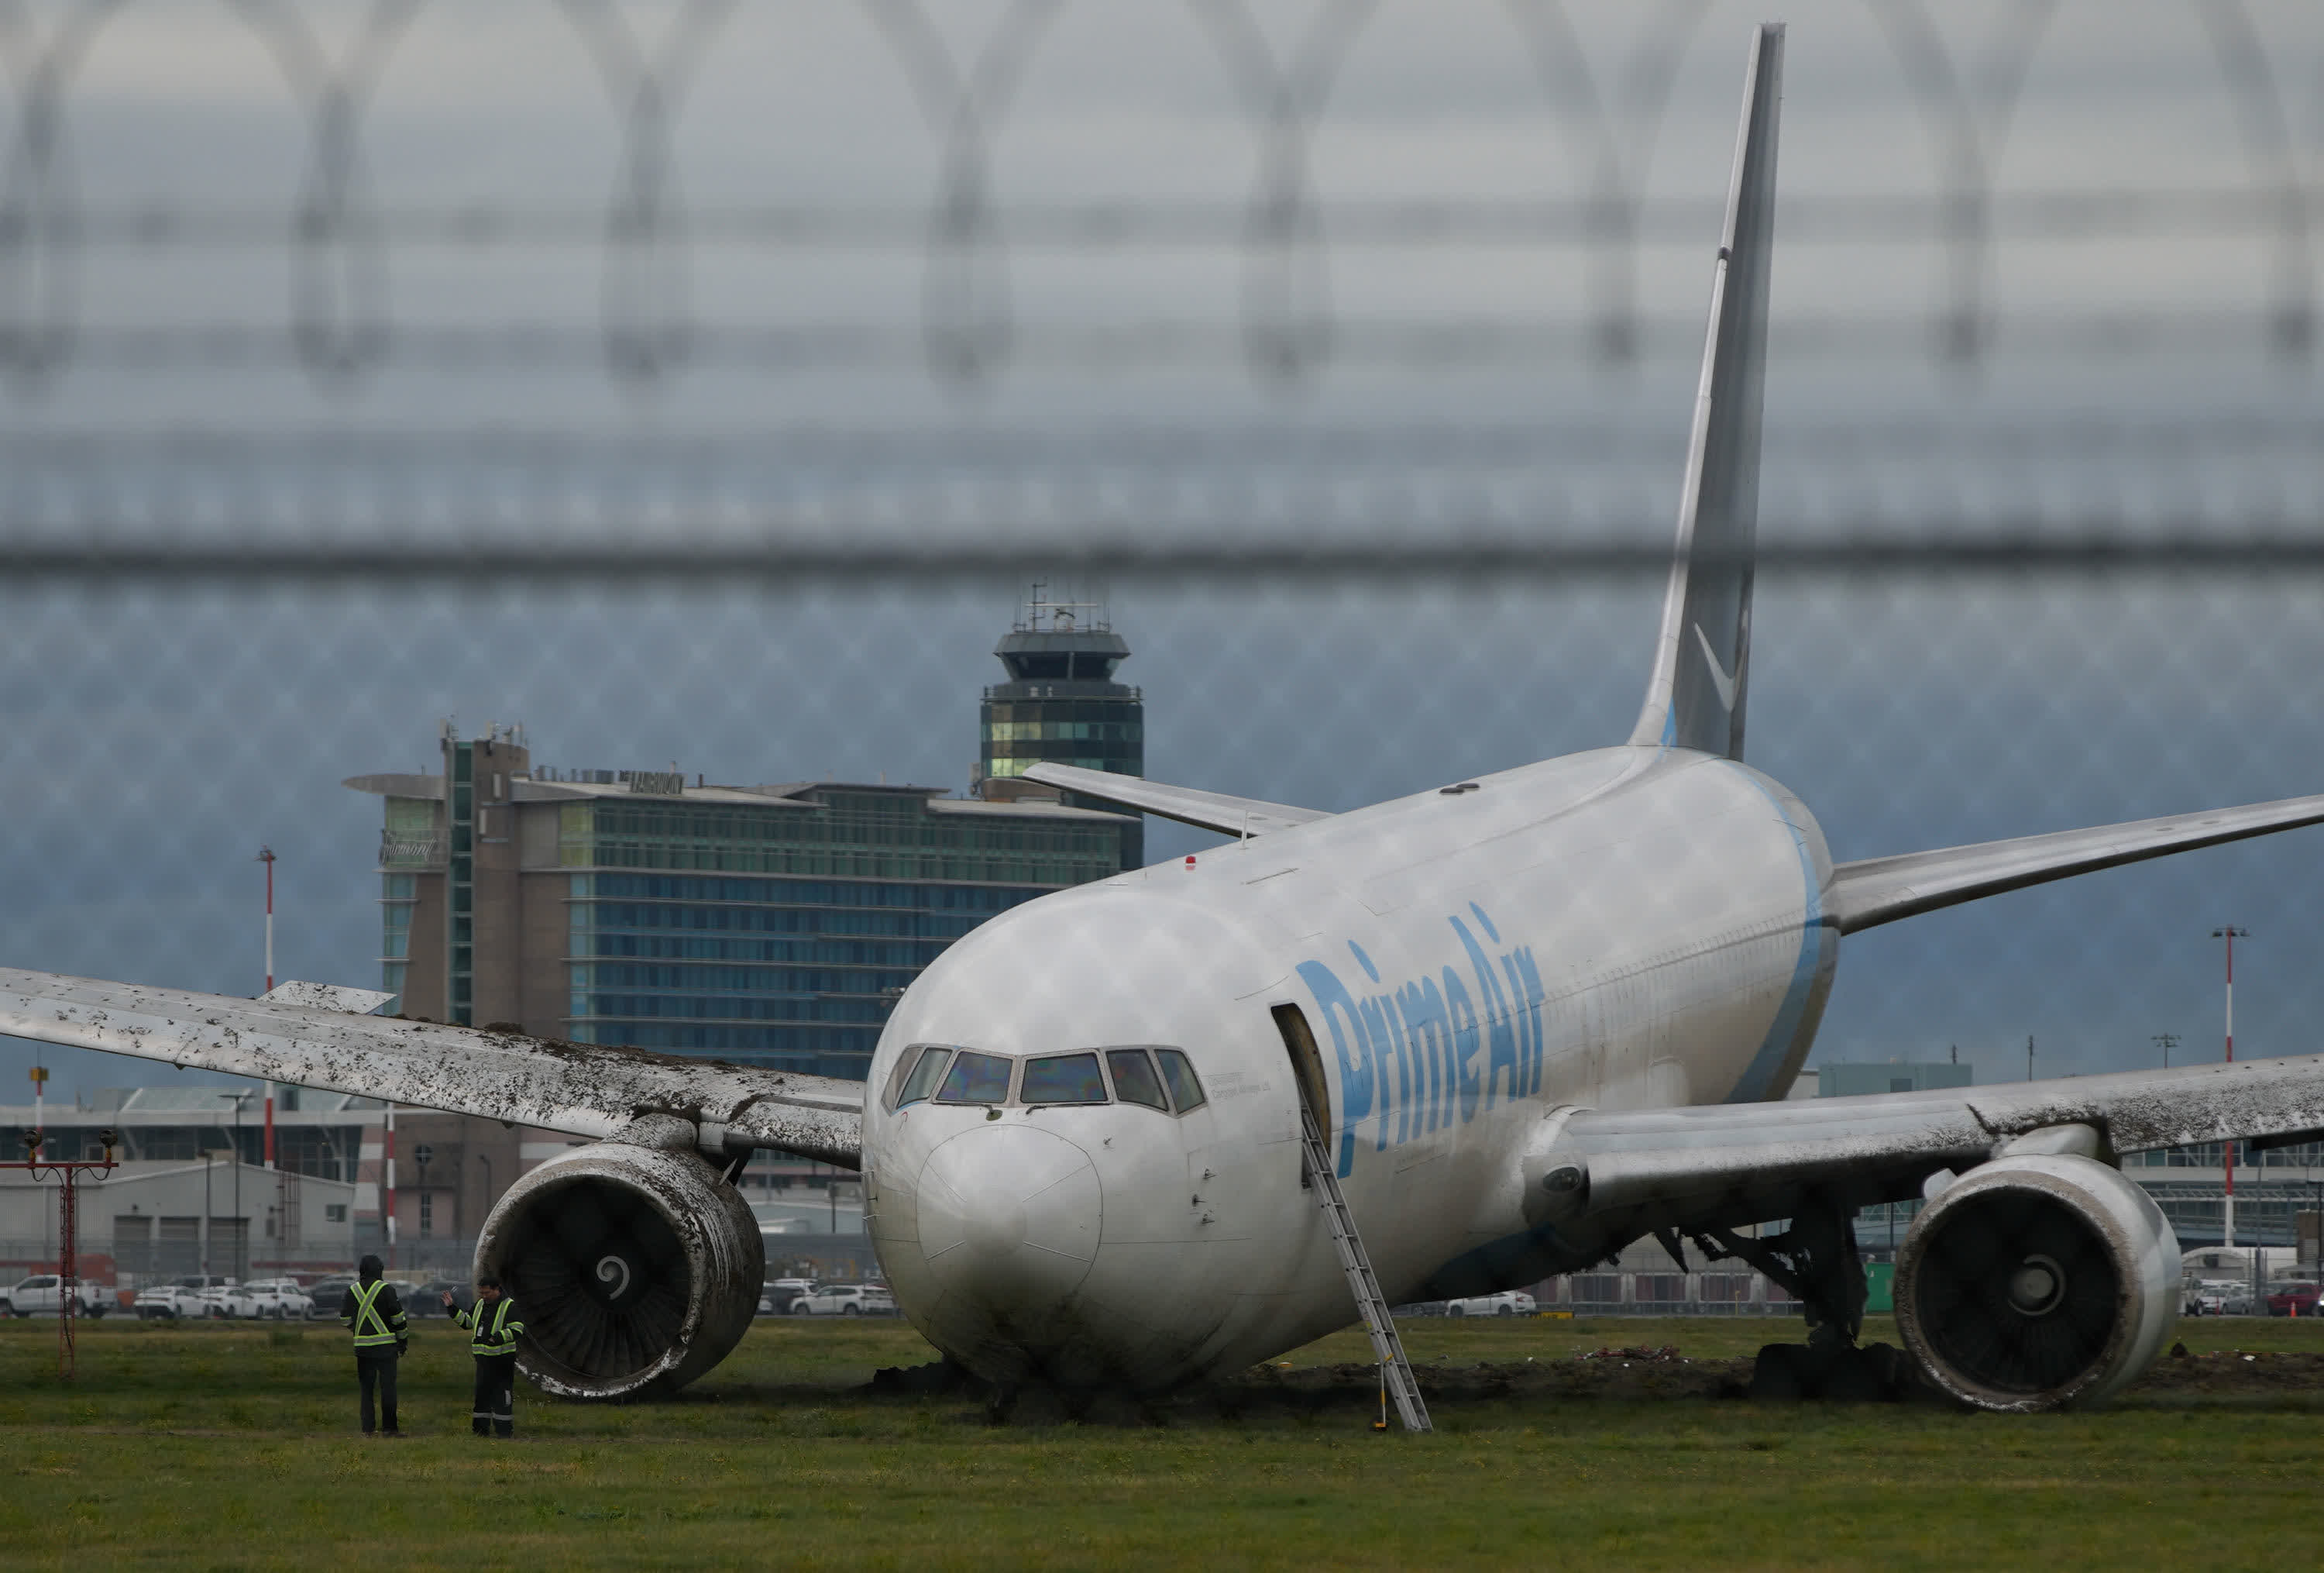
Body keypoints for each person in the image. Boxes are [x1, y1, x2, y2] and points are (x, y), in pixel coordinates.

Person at [445, 1274, 525, 1437]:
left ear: (497, 1290)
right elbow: (467, 1323)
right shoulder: (480, 1305)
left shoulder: (509, 1306)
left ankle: (504, 1432)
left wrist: (497, 1338)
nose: (484, 1296)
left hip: (502, 1361)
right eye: (481, 1293)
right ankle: (480, 1432)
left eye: (487, 1293)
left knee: (502, 1397)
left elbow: (518, 1330)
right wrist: (452, 1308)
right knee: (481, 1397)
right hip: (483, 1361)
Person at [339, 1254, 409, 1436]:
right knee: (388, 1390)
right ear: (380, 1270)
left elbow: (345, 1319)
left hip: (363, 1350)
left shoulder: (352, 1291)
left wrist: (359, 1330)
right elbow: (398, 1319)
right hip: (386, 1350)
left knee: (366, 1391)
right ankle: (390, 1429)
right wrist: (403, 1342)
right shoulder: (387, 1289)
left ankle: (368, 1430)